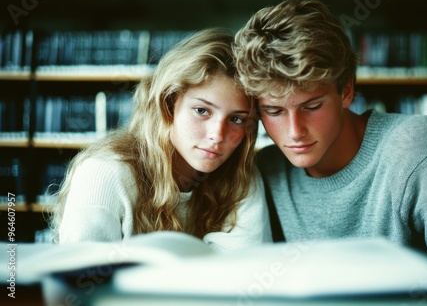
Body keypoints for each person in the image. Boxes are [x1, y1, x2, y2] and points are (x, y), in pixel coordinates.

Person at [233, 0, 427, 254]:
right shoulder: (266, 169)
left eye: (311, 107)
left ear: (347, 91)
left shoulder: (419, 148)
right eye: (274, 111)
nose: (295, 131)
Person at [49, 28, 272, 252]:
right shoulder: (104, 173)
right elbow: (78, 282)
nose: (217, 135)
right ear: (169, 105)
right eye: (202, 111)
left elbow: (242, 276)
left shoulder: (242, 177)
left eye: (236, 119)